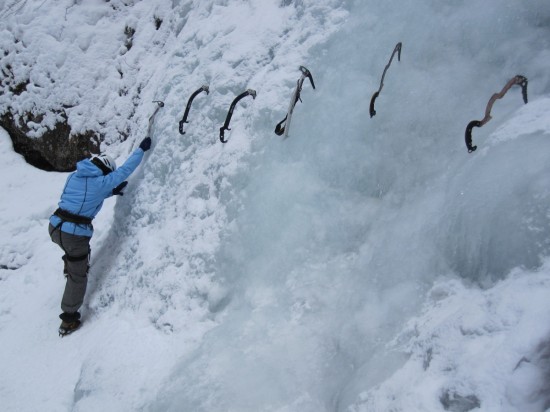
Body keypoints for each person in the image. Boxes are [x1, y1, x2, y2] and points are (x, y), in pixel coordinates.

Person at [48, 137, 152, 336]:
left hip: (55, 227)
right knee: (78, 276)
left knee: (73, 253)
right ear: (105, 169)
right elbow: (124, 171)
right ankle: (69, 319)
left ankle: (70, 262)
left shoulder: (75, 176)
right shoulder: (101, 181)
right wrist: (140, 149)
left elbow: (83, 196)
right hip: (73, 233)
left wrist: (109, 192)